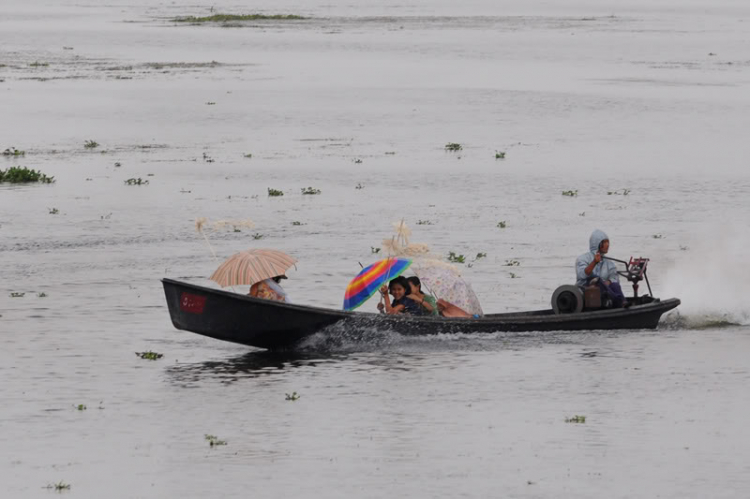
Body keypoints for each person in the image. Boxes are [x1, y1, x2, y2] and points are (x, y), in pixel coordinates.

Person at [575, 229, 625, 307]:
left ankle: (622, 302)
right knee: (598, 281)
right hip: (584, 292)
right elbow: (582, 274)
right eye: (604, 242)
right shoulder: (582, 259)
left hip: (603, 294)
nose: (607, 245)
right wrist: (594, 262)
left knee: (614, 285)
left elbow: (615, 278)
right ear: (598, 244)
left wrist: (609, 282)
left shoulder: (609, 263)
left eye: (608, 242)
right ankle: (618, 301)